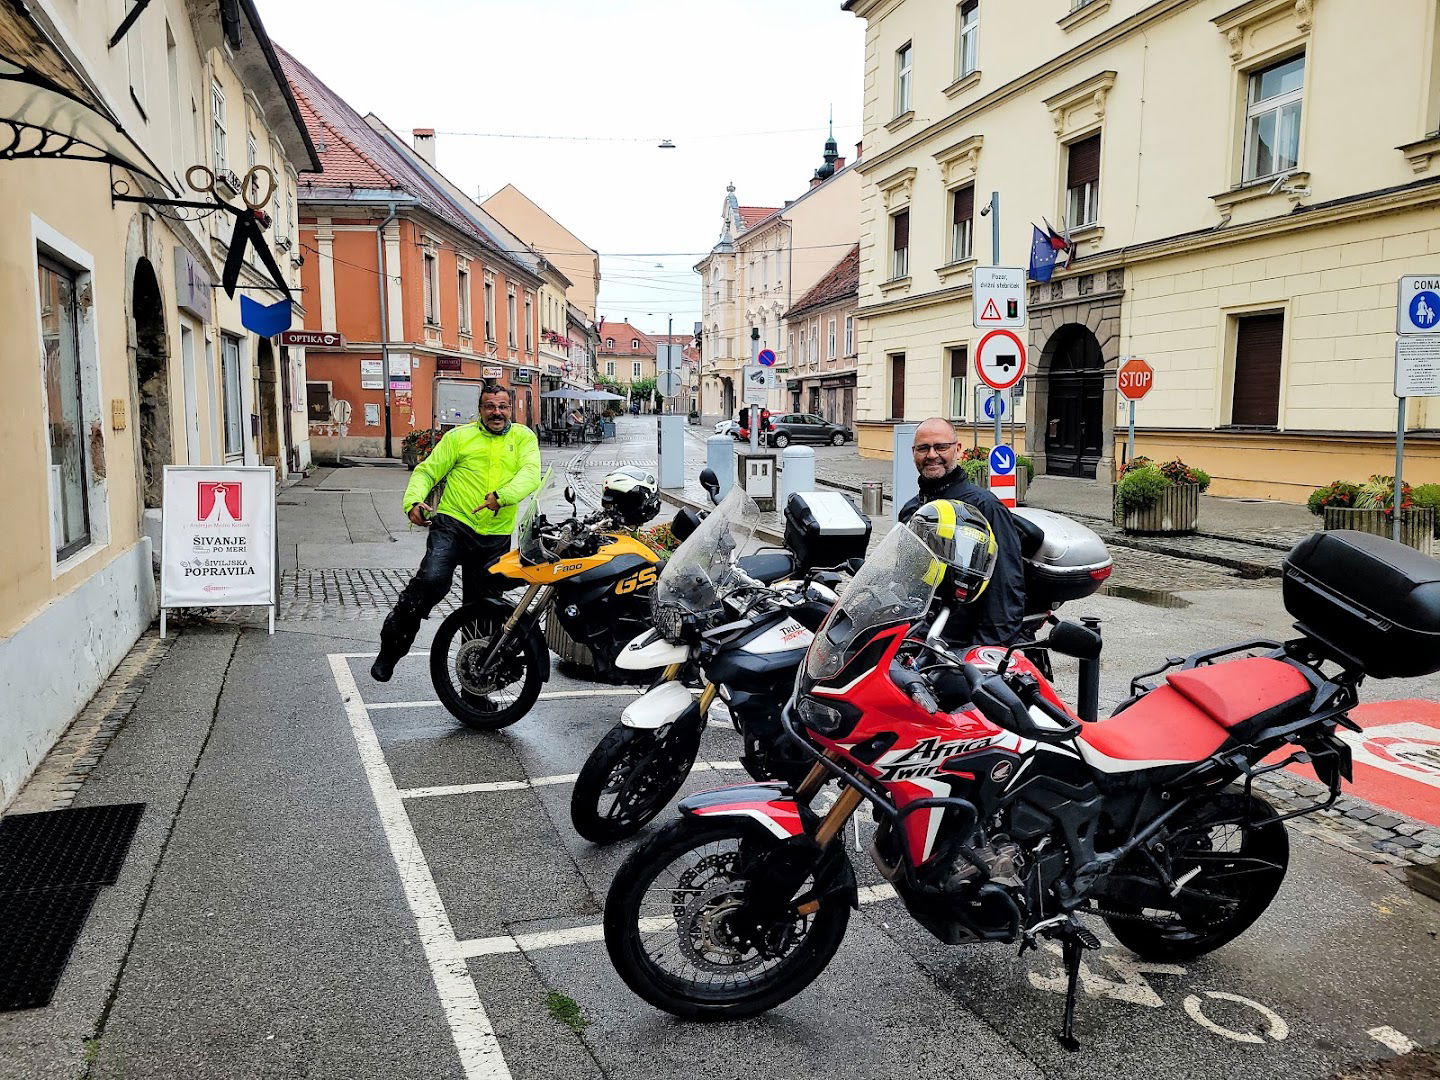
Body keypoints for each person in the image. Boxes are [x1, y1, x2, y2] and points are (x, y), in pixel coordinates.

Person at [371, 383, 542, 682]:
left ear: (510, 408)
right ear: (480, 409)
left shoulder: (523, 437)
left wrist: (502, 496)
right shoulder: (459, 437)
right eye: (490, 406)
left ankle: (473, 691)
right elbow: (427, 471)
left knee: (482, 612)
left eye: (502, 406)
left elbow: (530, 473)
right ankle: (392, 649)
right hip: (453, 524)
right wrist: (413, 501)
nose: (496, 412)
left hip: (495, 535)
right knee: (432, 581)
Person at [897, 417, 1025, 645]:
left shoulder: (984, 507)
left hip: (958, 646)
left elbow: (1005, 589)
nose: (932, 455)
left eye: (941, 447)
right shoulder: (913, 510)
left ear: (957, 449)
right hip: (916, 637)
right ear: (913, 452)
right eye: (923, 448)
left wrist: (986, 655)